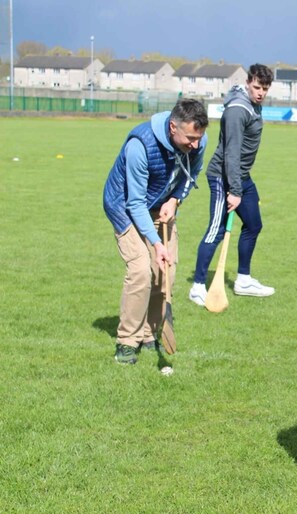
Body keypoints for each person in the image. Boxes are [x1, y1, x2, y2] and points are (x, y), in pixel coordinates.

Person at [103, 98, 208, 364]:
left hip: (161, 205)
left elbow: (190, 177)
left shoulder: (198, 141)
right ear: (173, 127)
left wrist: (175, 201)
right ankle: (127, 341)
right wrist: (155, 243)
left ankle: (149, 332)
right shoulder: (140, 146)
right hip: (125, 207)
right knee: (141, 270)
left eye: (199, 137)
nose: (195, 144)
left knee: (166, 272)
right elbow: (135, 203)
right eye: (190, 138)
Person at [189, 64, 275, 306]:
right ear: (248, 82)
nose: (261, 93)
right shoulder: (237, 110)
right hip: (222, 175)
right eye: (257, 87)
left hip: (241, 175)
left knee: (253, 224)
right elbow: (231, 153)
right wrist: (234, 191)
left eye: (265, 88)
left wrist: (239, 185)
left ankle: (243, 280)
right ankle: (197, 286)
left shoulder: (252, 104)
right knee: (216, 230)